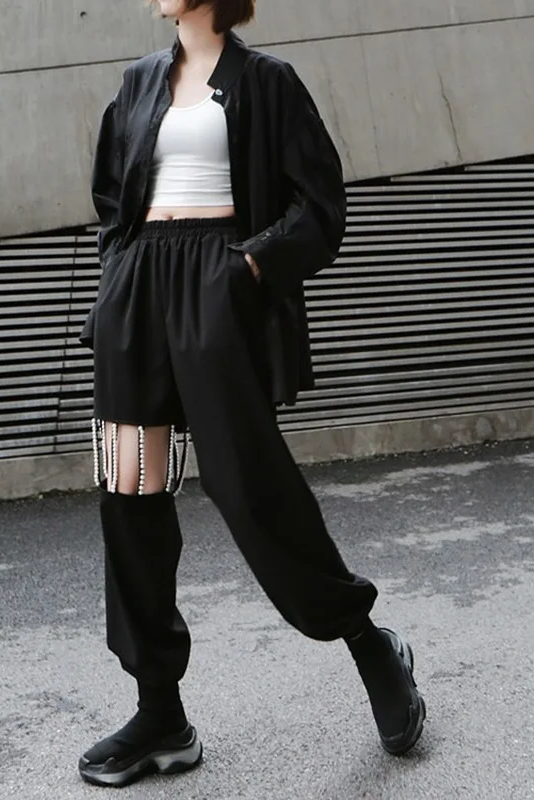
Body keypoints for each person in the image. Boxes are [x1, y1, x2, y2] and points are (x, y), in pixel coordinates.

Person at [77, 0, 426, 787]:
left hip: (218, 286)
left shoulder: (268, 81)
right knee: (129, 496)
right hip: (138, 291)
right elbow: (110, 197)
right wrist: (118, 278)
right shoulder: (137, 82)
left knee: (250, 487)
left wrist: (250, 266)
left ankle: (367, 640)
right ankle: (161, 714)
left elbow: (321, 205)